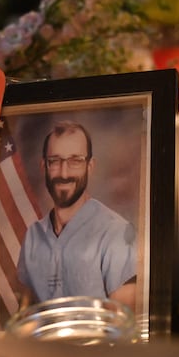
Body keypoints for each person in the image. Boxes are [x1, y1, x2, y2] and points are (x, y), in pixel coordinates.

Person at [16, 120, 137, 309]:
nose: (64, 173)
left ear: (90, 166)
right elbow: (25, 309)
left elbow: (124, 320)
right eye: (54, 161)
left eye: (75, 161)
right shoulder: (33, 235)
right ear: (43, 166)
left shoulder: (116, 232)